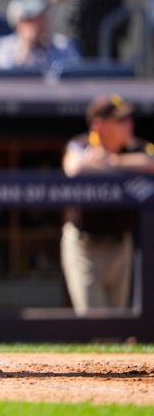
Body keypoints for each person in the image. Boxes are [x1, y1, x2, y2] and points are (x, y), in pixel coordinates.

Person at [60, 94, 154, 316]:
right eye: (120, 121)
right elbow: (74, 168)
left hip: (121, 243)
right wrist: (125, 167)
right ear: (99, 125)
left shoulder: (136, 146)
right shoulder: (80, 143)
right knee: (96, 321)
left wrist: (111, 161)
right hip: (84, 245)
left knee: (118, 322)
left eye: (128, 119)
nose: (129, 125)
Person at [0, 0, 80, 71]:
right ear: (19, 23)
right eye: (33, 19)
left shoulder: (62, 44)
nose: (41, 23)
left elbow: (75, 75)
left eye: (42, 16)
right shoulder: (4, 46)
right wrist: (26, 46)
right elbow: (5, 81)